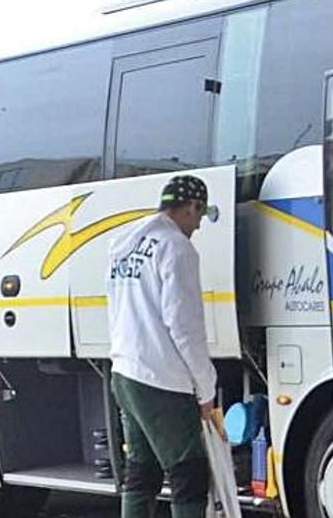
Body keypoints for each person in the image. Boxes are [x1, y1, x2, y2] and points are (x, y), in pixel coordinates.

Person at [107, 175, 221, 518]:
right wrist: (206, 390)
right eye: (200, 216)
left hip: (125, 373)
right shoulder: (177, 247)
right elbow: (184, 327)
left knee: (142, 472)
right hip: (160, 380)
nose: (198, 226)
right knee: (189, 474)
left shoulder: (127, 245)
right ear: (192, 206)